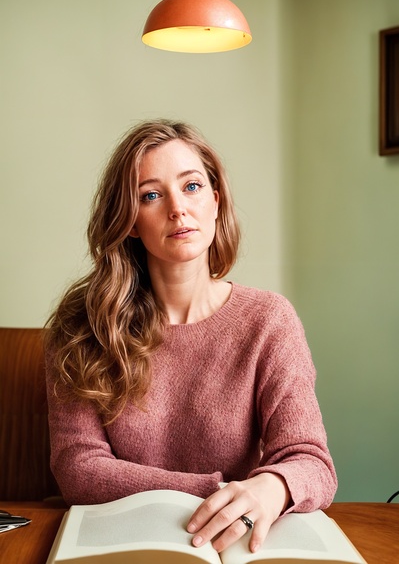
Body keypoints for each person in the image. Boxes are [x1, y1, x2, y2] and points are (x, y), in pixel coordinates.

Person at [45, 119, 337, 554]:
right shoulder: (81, 326)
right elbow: (79, 469)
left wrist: (271, 488)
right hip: (122, 547)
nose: (178, 208)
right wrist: (217, 492)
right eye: (151, 195)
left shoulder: (269, 320)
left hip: (236, 546)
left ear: (216, 202)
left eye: (192, 187)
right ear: (129, 222)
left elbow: (311, 462)